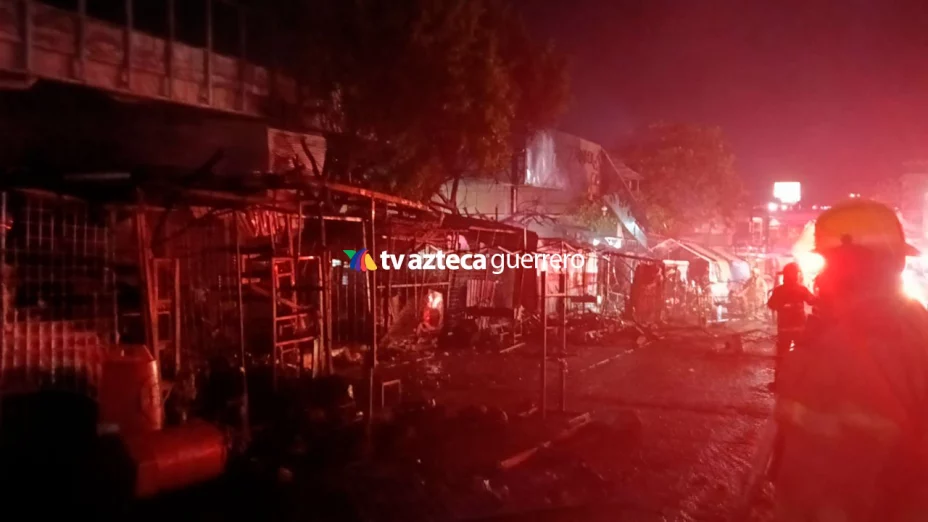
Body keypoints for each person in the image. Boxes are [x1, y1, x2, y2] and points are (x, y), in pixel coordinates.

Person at [772, 199, 928, 521]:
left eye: (828, 263)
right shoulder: (909, 326)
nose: (822, 276)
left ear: (851, 263)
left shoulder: (869, 341)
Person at [766, 262, 814, 387]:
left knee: (782, 356)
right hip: (799, 329)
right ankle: (803, 382)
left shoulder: (779, 290)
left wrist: (782, 304)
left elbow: (771, 305)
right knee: (802, 354)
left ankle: (779, 382)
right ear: (795, 275)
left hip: (784, 329)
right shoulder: (801, 289)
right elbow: (812, 300)